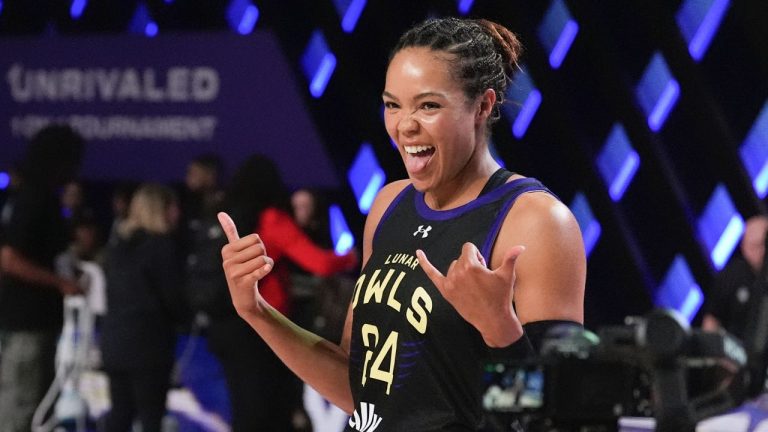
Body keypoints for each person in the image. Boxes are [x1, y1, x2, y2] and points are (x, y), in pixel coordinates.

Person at [217, 17, 585, 431]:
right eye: (393, 104)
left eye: (428, 105)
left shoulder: (535, 221)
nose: (405, 125)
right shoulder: (389, 203)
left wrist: (501, 331)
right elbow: (358, 391)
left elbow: (558, 418)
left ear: (482, 106)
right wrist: (257, 311)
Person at [206, 155, 357, 432]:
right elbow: (319, 263)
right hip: (259, 327)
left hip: (222, 324)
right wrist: (350, 258)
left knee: (243, 408)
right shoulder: (271, 218)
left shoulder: (225, 213)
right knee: (269, 410)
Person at [0, 124, 85, 432]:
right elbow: (9, 259)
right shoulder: (35, 196)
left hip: (30, 319)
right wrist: (61, 283)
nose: (76, 168)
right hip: (27, 321)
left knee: (32, 403)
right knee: (22, 406)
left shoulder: (32, 195)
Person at [100, 183, 187, 432]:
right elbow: (173, 298)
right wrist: (187, 317)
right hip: (148, 346)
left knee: (120, 414)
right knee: (151, 418)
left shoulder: (117, 247)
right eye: (172, 207)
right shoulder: (162, 247)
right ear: (161, 210)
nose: (177, 214)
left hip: (114, 342)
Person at [702, 214, 768, 396]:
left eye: (764, 245)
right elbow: (711, 322)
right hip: (736, 363)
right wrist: (719, 359)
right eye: (755, 246)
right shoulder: (731, 276)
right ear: (744, 247)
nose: (761, 251)